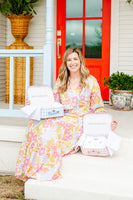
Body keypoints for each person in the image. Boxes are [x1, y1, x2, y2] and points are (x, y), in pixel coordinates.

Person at [15, 47, 117, 181]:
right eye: (69, 60)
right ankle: (31, 167)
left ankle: (45, 169)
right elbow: (52, 103)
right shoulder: (61, 80)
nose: (72, 62)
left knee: (49, 128)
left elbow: (98, 106)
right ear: (66, 63)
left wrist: (106, 122)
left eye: (75, 59)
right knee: (35, 123)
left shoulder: (90, 81)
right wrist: (34, 104)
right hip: (62, 117)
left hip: (79, 121)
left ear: (80, 61)